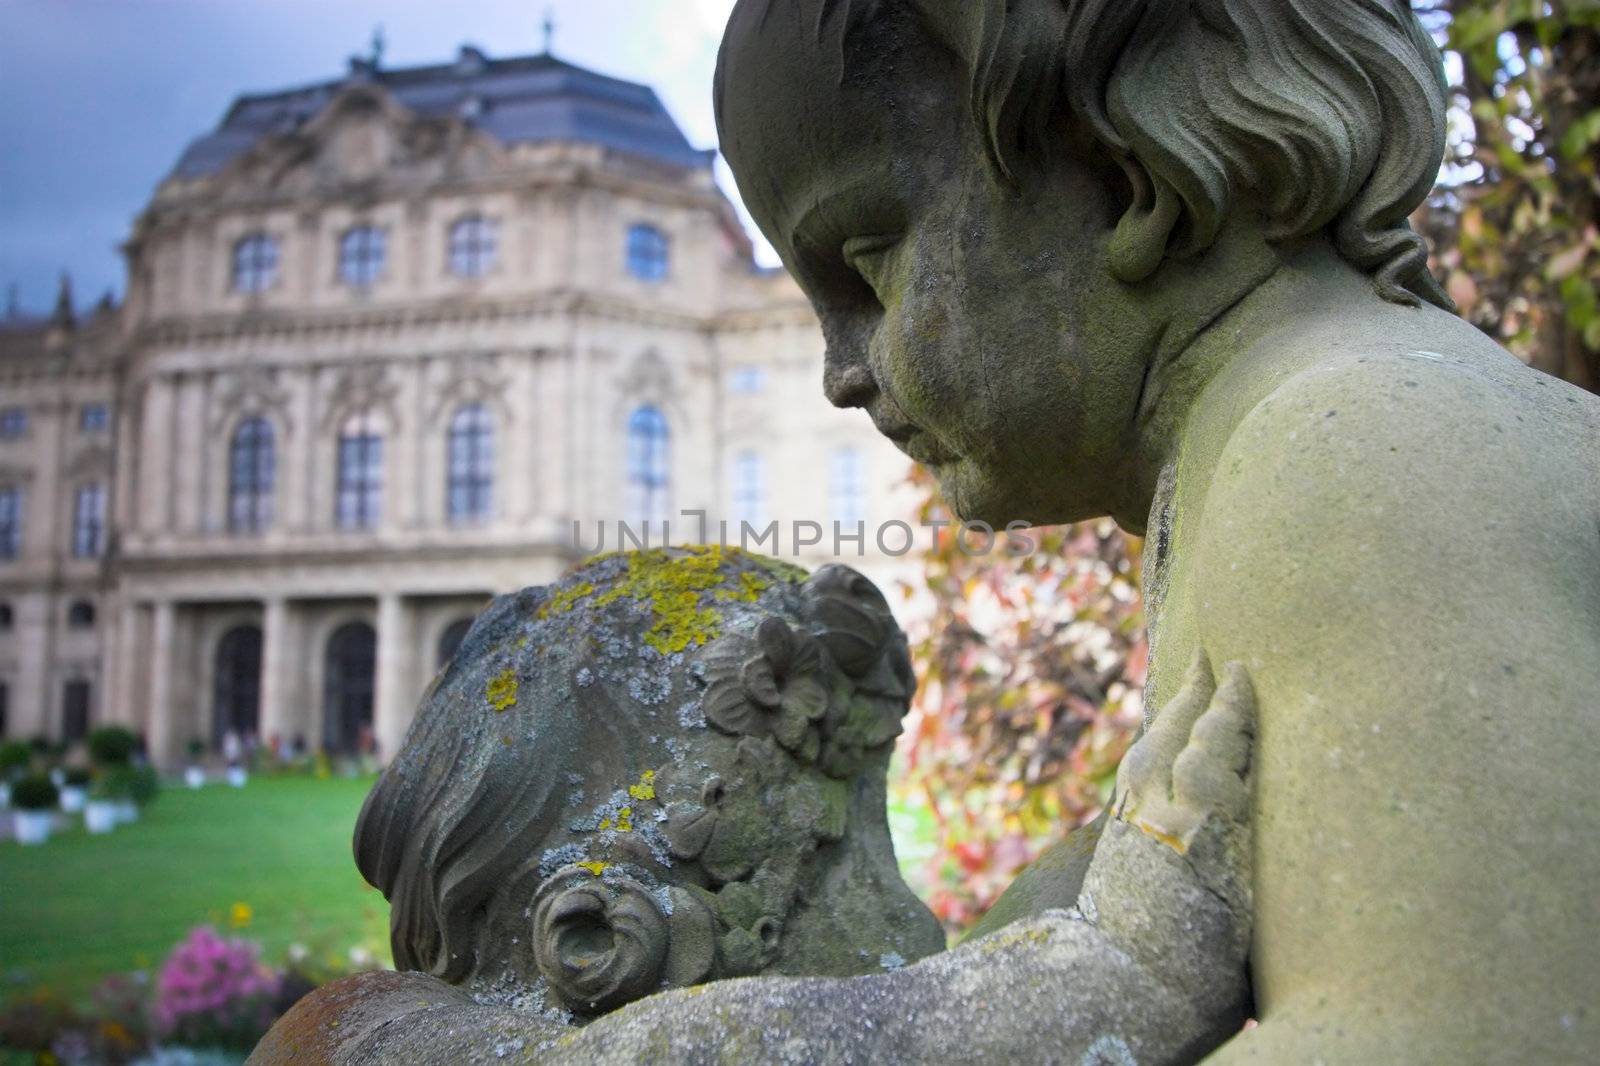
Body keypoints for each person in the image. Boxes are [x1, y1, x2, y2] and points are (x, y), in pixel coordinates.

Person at [705, 1, 1600, 1062]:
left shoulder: (1353, 443)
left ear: (1125, 174)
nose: (840, 373)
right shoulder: (1264, 458)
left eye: (867, 263)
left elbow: (1460, 1037)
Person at [251, 548, 1256, 1064]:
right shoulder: (363, 1040)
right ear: (608, 931)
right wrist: (1129, 971)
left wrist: (1114, 857)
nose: (917, 922)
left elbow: (930, 991)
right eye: (846, 856)